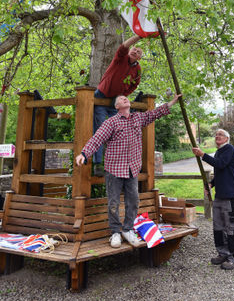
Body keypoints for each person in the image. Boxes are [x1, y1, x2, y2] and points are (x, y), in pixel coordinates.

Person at [76, 93, 182, 248]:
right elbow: (97, 138)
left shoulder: (138, 118)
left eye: (126, 98)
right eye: (120, 99)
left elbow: (154, 114)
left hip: (132, 169)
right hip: (114, 169)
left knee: (133, 201)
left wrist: (171, 103)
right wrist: (84, 153)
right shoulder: (111, 122)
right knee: (113, 202)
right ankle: (115, 233)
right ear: (117, 107)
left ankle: (127, 229)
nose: (125, 99)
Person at [192, 129, 234, 270]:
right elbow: (221, 171)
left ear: (227, 138)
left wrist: (202, 155)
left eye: (220, 135)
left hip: (231, 197)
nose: (217, 136)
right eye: (216, 135)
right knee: (218, 227)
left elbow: (220, 164)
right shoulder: (220, 152)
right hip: (220, 196)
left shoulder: (229, 149)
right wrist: (211, 184)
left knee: (231, 228)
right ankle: (223, 253)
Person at [93, 35, 143, 169]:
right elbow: (124, 46)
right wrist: (138, 36)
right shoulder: (121, 57)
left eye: (138, 52)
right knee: (100, 128)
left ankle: (118, 162)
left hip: (115, 102)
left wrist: (123, 95)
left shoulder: (137, 70)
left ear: (139, 58)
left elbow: (135, 84)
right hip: (102, 96)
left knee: (120, 129)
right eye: (134, 49)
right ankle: (97, 164)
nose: (135, 52)